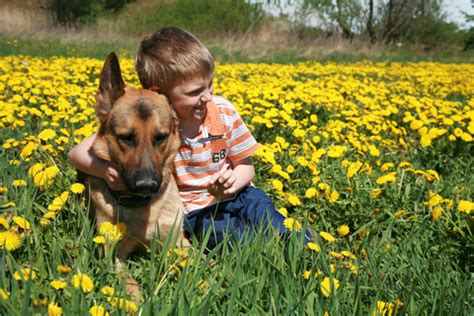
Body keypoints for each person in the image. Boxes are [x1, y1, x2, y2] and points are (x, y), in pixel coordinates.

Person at [68, 26, 311, 251]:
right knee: (231, 235)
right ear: (160, 94)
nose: (207, 96)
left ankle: (305, 246)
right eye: (195, 92)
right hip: (198, 210)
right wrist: (104, 170)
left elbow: (246, 166)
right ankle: (272, 250)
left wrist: (233, 182)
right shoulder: (159, 117)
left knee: (269, 216)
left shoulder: (221, 111)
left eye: (210, 85)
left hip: (242, 194)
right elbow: (78, 152)